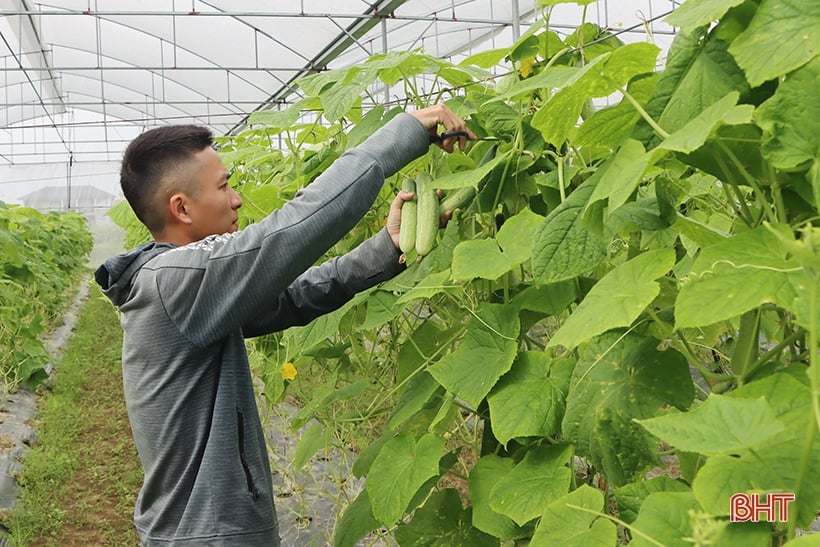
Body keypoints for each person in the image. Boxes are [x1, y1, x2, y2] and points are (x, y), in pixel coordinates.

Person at [94, 104, 474, 546]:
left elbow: (294, 298)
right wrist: (406, 132)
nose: (236, 198)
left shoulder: (182, 286)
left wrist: (386, 247)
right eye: (224, 186)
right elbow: (296, 225)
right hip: (211, 536)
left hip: (204, 530)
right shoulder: (176, 281)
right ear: (181, 207)